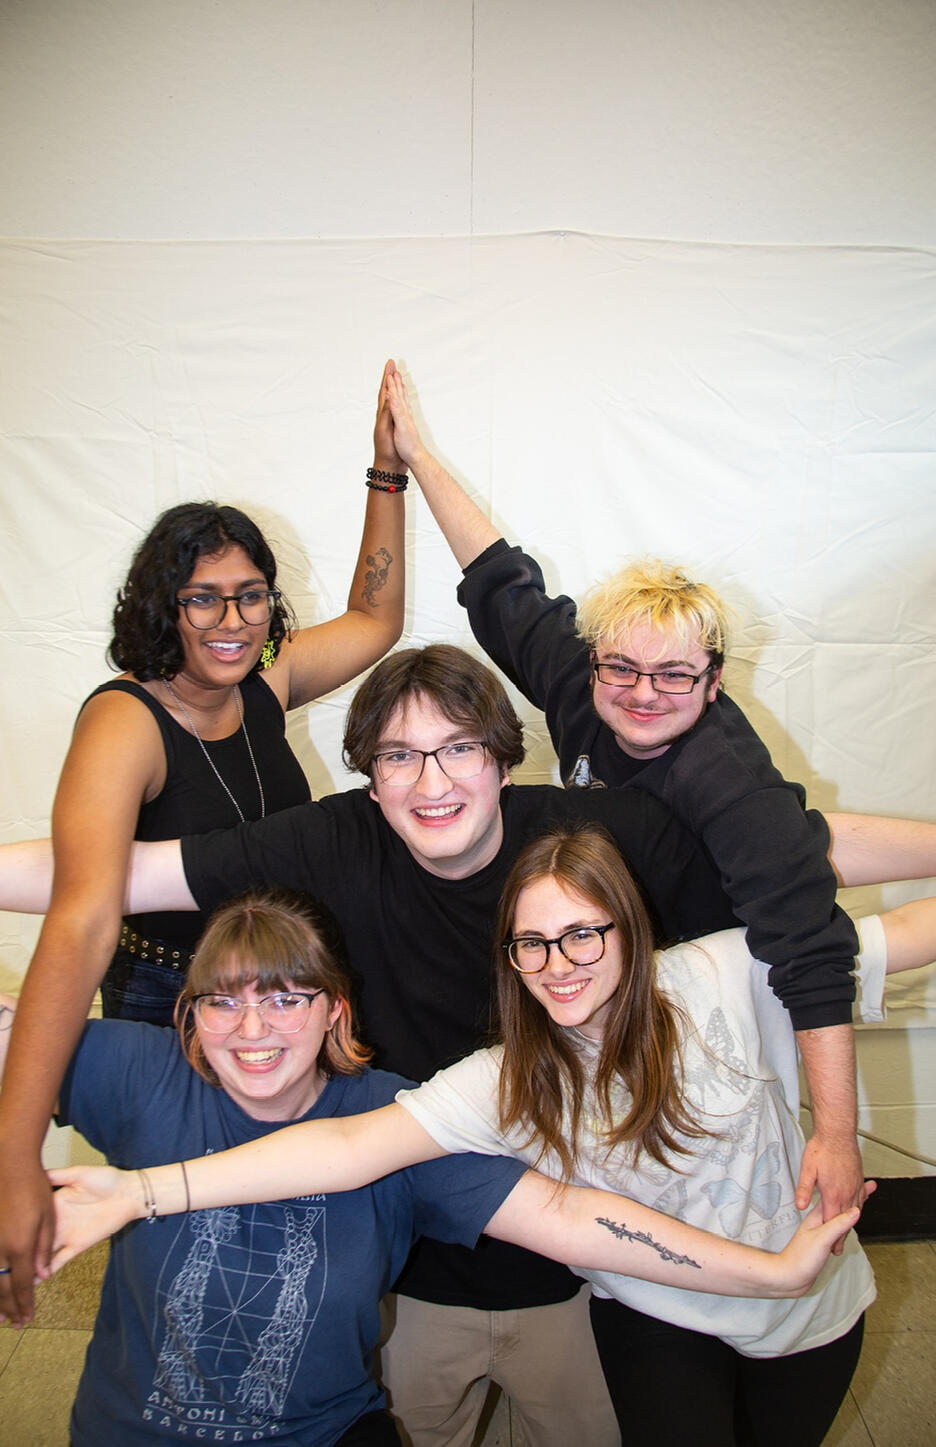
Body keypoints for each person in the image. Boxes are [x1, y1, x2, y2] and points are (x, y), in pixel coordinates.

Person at [2, 650, 934, 1445]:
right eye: (400, 756)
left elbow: (788, 852)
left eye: (458, 748)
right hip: (456, 1270)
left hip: (585, 1278)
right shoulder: (478, 1054)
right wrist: (136, 1190)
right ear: (369, 774)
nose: (433, 780)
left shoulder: (631, 880)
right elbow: (111, 871)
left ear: (501, 759)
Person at [0, 891, 857, 1447]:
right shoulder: (140, 1071)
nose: (250, 1028)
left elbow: (569, 1215)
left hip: (322, 1434)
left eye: (285, 996)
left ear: (335, 1009)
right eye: (222, 998)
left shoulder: (399, 1116)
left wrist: (771, 1272)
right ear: (190, 1015)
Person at [378, 363, 865, 1224]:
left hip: (724, 956)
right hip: (672, 898)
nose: (643, 694)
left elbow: (813, 960)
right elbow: (499, 583)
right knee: (817, 836)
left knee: (841, 896)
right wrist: (414, 455)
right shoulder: (585, 680)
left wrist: (837, 1134)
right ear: (597, 657)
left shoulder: (725, 781)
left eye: (674, 675)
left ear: (714, 682)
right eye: (624, 668)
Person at [0, 360, 407, 1342]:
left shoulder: (260, 686)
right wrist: (15, 1157)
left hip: (282, 993)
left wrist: (383, 475)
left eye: (252, 597)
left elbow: (377, 619)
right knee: (202, 1233)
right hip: (173, 1002)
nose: (233, 623)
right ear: (163, 606)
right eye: (205, 599)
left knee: (292, 1220)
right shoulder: (125, 722)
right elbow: (84, 918)